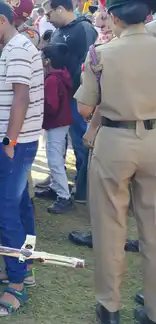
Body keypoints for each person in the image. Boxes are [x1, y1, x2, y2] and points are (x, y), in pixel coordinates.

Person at [74, 0, 156, 320]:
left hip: (114, 140)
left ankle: (109, 307)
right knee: (153, 231)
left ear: (114, 16)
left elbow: (84, 108)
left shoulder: (100, 53)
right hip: (154, 139)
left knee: (110, 230)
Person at [0, 0, 44, 316]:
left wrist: (9, 142)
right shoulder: (16, 47)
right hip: (19, 143)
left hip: (15, 145)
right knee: (20, 207)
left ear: (1, 20)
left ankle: (16, 285)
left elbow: (21, 97)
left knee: (6, 211)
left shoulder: (16, 49)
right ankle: (22, 268)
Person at [42, 0, 97, 203]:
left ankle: (83, 187)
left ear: (60, 9)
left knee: (80, 142)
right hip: (60, 94)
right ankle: (58, 183)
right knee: (57, 145)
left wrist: (78, 91)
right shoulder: (58, 31)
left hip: (75, 96)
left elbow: (86, 63)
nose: (47, 18)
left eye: (49, 14)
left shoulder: (83, 29)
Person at [41, 43, 74, 214]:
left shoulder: (52, 80)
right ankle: (55, 188)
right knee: (55, 156)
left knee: (54, 159)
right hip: (61, 121)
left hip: (56, 122)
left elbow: (50, 106)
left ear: (48, 61)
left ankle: (64, 196)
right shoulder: (61, 75)